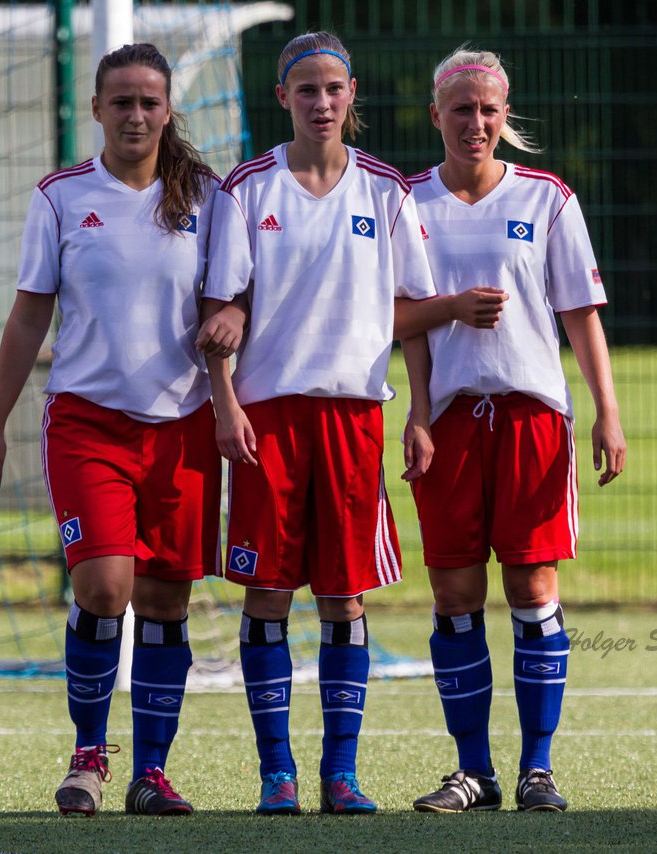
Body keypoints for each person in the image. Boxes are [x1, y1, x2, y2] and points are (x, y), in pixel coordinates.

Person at [0, 43, 244, 817]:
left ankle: (150, 773)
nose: (135, 115)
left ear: (167, 111)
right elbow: (29, 317)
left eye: (149, 102)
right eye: (120, 101)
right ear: (96, 109)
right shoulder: (60, 198)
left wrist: (231, 324)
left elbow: (234, 299)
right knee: (104, 586)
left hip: (183, 423)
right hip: (89, 422)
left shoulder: (207, 196)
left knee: (165, 601)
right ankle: (89, 755)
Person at [200, 31, 437, 816]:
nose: (322, 102)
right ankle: (277, 774)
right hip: (267, 419)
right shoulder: (246, 189)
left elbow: (412, 315)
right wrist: (226, 401)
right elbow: (219, 308)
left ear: (353, 93)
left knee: (343, 597)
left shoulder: (385, 189)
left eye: (334, 89)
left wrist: (421, 415)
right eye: (307, 89)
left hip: (354, 419)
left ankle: (341, 773)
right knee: (266, 590)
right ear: (284, 98)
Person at [397, 47, 627, 814]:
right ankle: (473, 771)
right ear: (437, 115)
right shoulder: (409, 205)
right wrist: (420, 415)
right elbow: (405, 327)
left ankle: (537, 769)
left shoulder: (548, 200)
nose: (476, 122)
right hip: (452, 421)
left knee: (531, 585)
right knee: (455, 591)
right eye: (461, 109)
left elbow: (580, 316)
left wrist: (608, 410)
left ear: (506, 115)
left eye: (489, 109)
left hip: (532, 416)